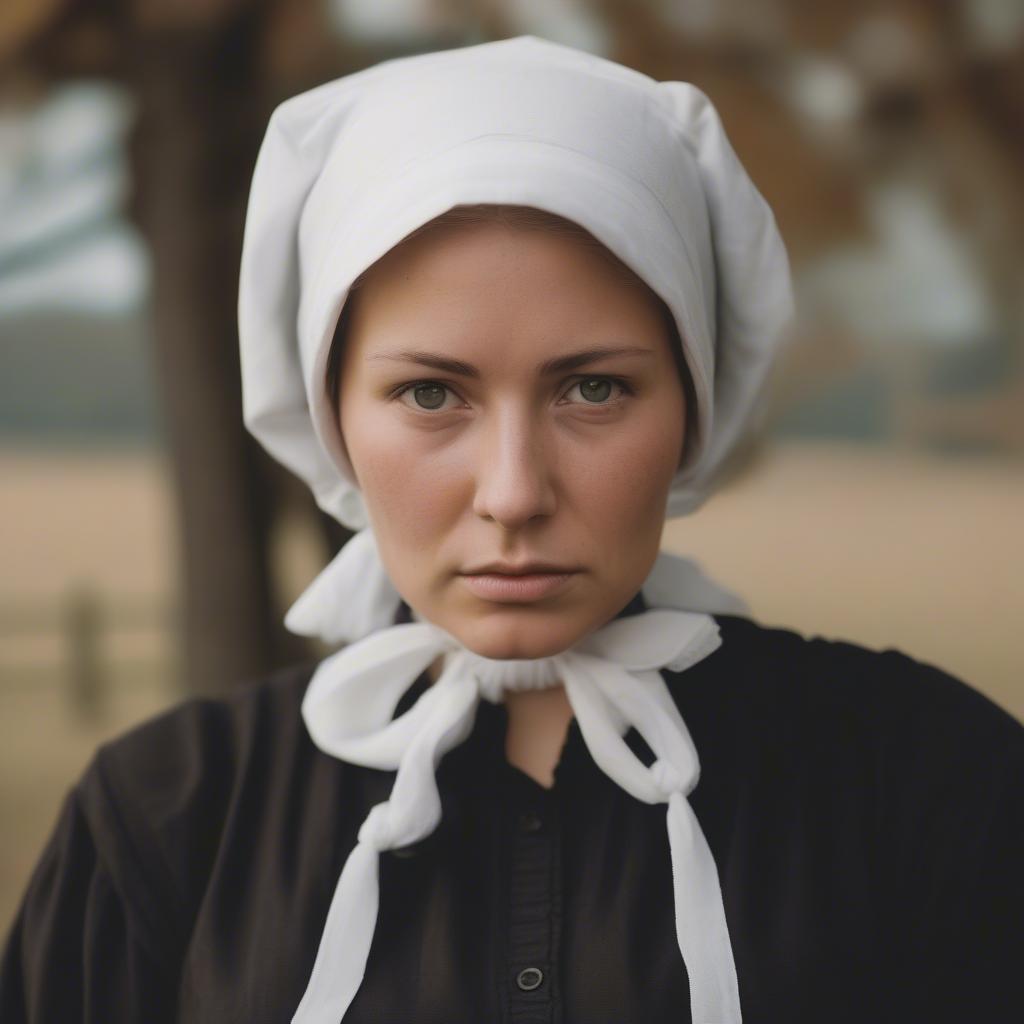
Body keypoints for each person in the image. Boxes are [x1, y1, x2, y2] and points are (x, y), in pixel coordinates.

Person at [2, 35, 1022, 1024]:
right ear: (331, 417)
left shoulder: (929, 785)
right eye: (430, 394)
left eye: (592, 387)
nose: (512, 491)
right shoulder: (163, 821)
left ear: (695, 406)